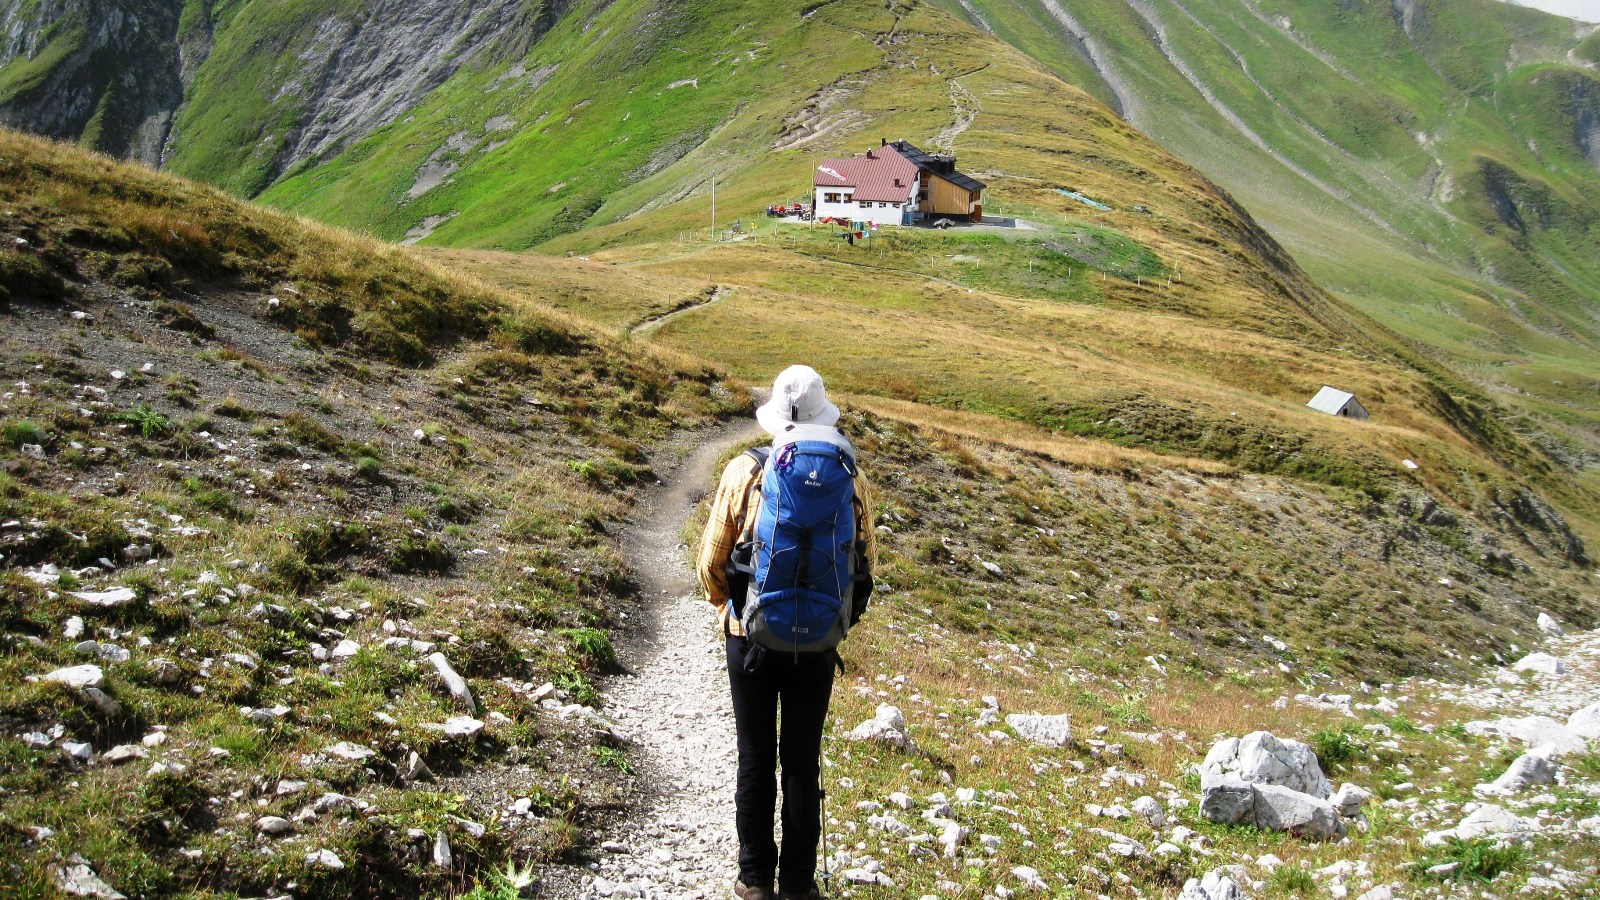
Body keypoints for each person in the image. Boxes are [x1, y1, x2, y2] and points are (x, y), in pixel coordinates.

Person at [698, 365, 877, 900]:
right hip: (818, 639)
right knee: (801, 758)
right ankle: (798, 885)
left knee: (755, 755)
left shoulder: (743, 471)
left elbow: (711, 563)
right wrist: (833, 621)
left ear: (776, 418)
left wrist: (735, 611)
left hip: (748, 637)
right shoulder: (849, 475)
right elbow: (866, 564)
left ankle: (754, 881)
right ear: (824, 414)